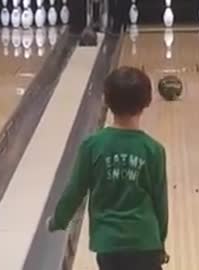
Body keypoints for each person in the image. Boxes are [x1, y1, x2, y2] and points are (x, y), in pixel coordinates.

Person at [47, 67, 169, 270]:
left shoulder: (92, 146)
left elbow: (75, 190)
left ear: (106, 99)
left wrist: (58, 221)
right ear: (147, 102)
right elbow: (160, 203)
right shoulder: (154, 150)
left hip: (109, 245)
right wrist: (160, 241)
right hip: (146, 242)